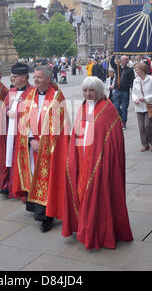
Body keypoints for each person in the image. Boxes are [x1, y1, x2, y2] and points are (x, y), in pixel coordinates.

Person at [62, 76, 133, 250]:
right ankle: (84, 227)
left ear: (99, 91)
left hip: (99, 161)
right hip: (82, 160)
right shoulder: (83, 107)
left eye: (92, 90)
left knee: (96, 196)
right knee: (82, 194)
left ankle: (95, 232)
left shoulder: (108, 110)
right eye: (85, 90)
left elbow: (113, 141)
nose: (88, 94)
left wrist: (103, 160)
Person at [14, 66, 70, 232]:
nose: (35, 80)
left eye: (39, 77)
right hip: (32, 145)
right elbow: (25, 119)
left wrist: (45, 144)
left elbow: (60, 126)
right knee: (33, 175)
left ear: (48, 79)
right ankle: (36, 208)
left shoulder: (57, 98)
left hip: (49, 147)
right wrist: (31, 140)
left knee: (48, 179)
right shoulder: (30, 95)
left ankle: (48, 215)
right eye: (35, 77)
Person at [0, 63, 34, 196]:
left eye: (15, 76)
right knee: (9, 157)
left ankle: (22, 187)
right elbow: (4, 108)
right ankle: (8, 184)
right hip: (9, 131)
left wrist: (17, 114)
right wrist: (6, 113)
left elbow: (33, 113)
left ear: (24, 77)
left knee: (22, 160)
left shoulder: (32, 92)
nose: (12, 78)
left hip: (22, 133)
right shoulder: (11, 92)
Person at [132, 62, 152, 152]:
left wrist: (145, 98)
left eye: (137, 69)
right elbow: (133, 93)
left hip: (149, 105)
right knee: (141, 126)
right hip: (139, 106)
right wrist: (135, 99)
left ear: (143, 70)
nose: (136, 71)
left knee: (147, 125)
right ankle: (144, 144)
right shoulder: (135, 80)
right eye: (135, 69)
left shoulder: (151, 79)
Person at [110, 55, 135, 130]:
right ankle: (120, 119)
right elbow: (111, 62)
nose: (126, 60)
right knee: (116, 107)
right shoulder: (117, 68)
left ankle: (123, 122)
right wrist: (114, 55)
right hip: (117, 91)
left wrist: (132, 92)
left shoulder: (130, 70)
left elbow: (132, 81)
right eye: (124, 59)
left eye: (127, 59)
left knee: (124, 108)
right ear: (121, 60)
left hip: (125, 91)